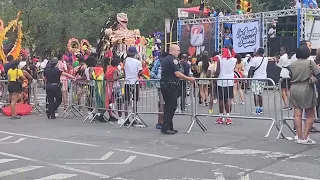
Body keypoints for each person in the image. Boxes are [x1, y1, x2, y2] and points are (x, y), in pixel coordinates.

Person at [160, 44, 195, 135]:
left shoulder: (164, 59)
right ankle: (165, 127)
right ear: (172, 51)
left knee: (168, 106)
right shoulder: (173, 60)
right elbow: (178, 74)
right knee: (171, 107)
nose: (179, 52)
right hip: (170, 86)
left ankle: (169, 127)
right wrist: (189, 78)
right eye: (178, 50)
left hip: (165, 85)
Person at [290, 45, 320, 145]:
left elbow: (290, 75)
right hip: (306, 87)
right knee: (310, 115)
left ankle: (299, 137)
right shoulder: (310, 62)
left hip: (294, 88)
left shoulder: (293, 63)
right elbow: (318, 74)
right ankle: (305, 137)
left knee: (297, 114)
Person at [214, 46, 237, 125]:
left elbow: (217, 71)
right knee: (228, 100)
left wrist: (214, 77)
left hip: (221, 81)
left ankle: (221, 117)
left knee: (221, 100)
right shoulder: (234, 60)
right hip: (230, 81)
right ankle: (228, 117)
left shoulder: (220, 60)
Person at [123, 46, 144, 127]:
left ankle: (126, 118)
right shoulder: (138, 62)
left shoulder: (125, 61)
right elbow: (140, 72)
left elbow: (124, 71)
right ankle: (134, 117)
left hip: (127, 82)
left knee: (126, 101)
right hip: (135, 82)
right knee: (134, 101)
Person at [248, 48, 268, 114]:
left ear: (258, 52)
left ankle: (257, 109)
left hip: (256, 78)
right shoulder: (265, 59)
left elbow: (251, 69)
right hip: (263, 78)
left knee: (255, 94)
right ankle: (261, 108)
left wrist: (249, 78)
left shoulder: (254, 59)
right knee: (260, 94)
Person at [151, 53, 167, 129]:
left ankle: (163, 120)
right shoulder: (158, 62)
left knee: (163, 104)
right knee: (162, 103)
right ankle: (160, 121)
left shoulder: (165, 62)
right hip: (161, 85)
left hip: (166, 84)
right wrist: (158, 78)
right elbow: (152, 73)